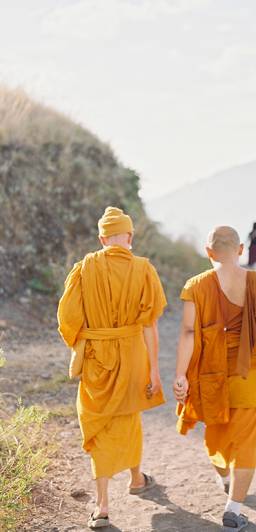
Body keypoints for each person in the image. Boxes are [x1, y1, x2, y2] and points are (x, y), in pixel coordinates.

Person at [173, 226, 256, 531]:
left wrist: (180, 375)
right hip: (249, 379)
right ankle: (233, 508)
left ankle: (224, 477)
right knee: (247, 444)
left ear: (208, 251)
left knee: (216, 437)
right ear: (240, 250)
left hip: (209, 379)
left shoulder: (196, 285)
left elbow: (188, 332)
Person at [58, 206, 167, 529]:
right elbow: (150, 326)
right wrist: (154, 371)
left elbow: (68, 319)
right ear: (130, 237)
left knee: (99, 422)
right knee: (128, 415)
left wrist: (85, 342)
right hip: (134, 354)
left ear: (102, 238)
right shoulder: (144, 269)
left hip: (96, 357)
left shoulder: (84, 268)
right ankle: (136, 478)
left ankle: (103, 506)